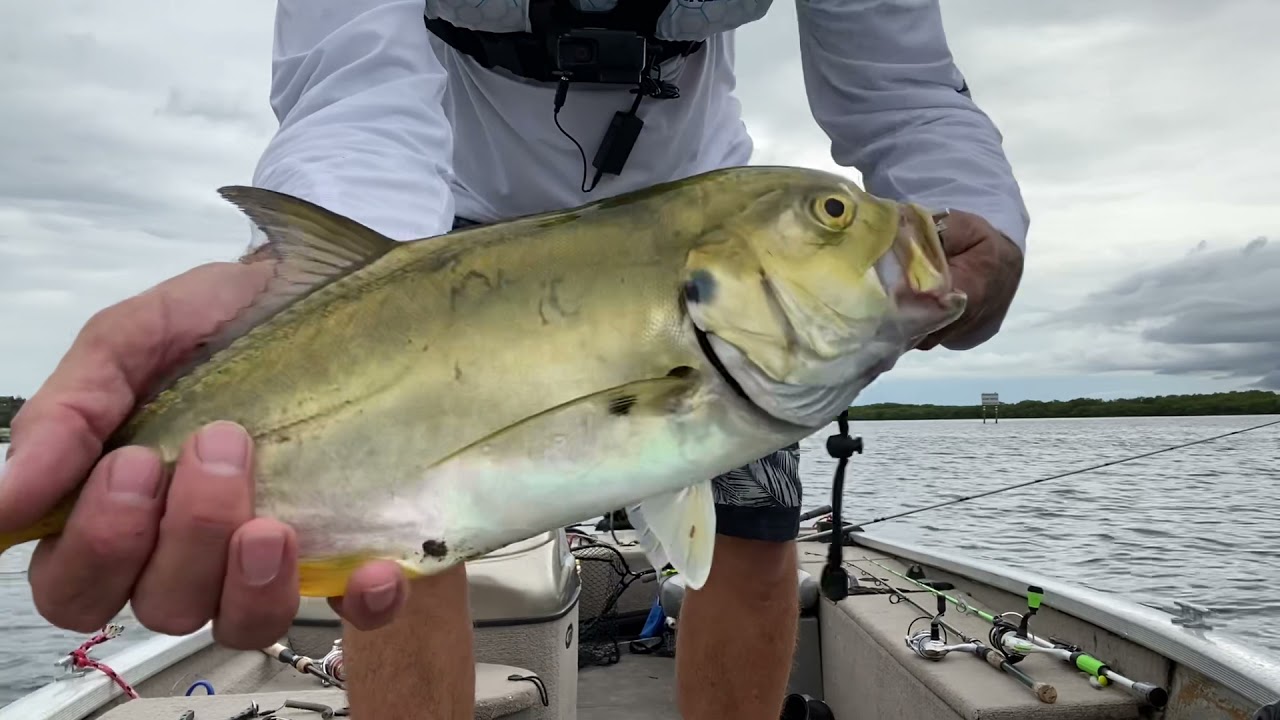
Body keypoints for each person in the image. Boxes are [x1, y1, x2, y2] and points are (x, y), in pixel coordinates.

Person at [0, 1, 1028, 718]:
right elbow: (351, 74)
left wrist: (968, 217)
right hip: (438, 201)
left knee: (753, 524)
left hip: (697, 211)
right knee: (401, 555)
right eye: (838, 218)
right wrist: (326, 293)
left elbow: (900, 86)